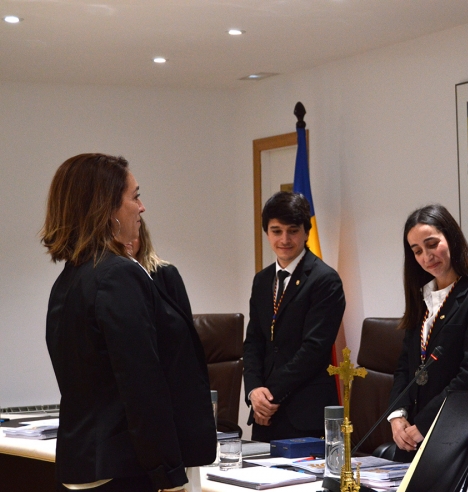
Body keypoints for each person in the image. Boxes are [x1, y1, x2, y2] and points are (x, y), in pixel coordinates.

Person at [42, 153, 216, 492]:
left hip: (90, 464)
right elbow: (141, 384)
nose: (142, 207)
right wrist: (168, 476)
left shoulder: (71, 278)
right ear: (106, 206)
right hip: (126, 469)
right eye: (135, 196)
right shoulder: (118, 274)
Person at [388, 204, 468, 462]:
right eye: (417, 251)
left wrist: (424, 423)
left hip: (452, 435)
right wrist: (397, 414)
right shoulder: (421, 297)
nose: (426, 256)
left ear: (452, 239)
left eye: (432, 244)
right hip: (412, 436)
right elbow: (405, 365)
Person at [243, 191, 345, 442]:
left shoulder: (325, 280)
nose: (284, 239)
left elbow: (313, 350)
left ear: (306, 232)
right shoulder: (262, 280)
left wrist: (270, 396)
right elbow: (254, 341)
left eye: (293, 230)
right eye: (276, 231)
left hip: (305, 415)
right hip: (265, 415)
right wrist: (254, 391)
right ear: (267, 233)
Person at [128, 218, 193, 321]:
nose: (128, 240)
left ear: (142, 238)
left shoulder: (167, 272)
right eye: (122, 234)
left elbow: (186, 322)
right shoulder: (113, 276)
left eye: (133, 234)